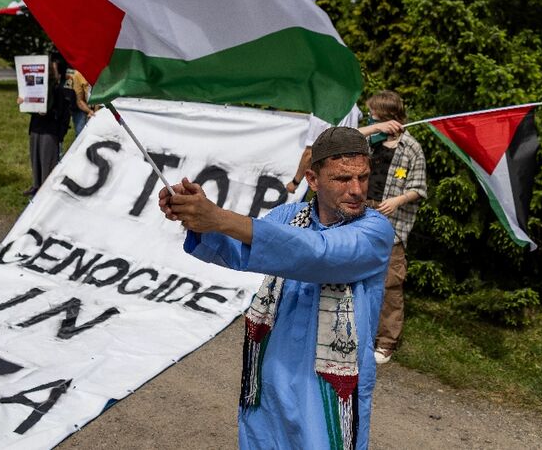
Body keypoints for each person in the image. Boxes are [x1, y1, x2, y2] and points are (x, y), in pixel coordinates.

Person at [158, 127, 394, 449]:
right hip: (270, 374)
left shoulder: (375, 230)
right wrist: (194, 217)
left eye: (363, 178)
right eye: (342, 179)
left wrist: (218, 216)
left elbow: (316, 253)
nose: (356, 189)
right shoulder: (288, 215)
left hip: (327, 388)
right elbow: (242, 250)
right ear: (312, 179)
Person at [357, 90, 427, 364]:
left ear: (388, 115)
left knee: (390, 282)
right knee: (354, 269)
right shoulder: (371, 140)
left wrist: (398, 200)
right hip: (361, 215)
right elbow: (343, 137)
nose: (370, 116)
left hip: (391, 223)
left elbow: (419, 188)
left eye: (374, 113)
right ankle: (356, 330)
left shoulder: (411, 148)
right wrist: (374, 128)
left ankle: (386, 342)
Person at [20, 52, 71, 197]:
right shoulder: (39, 87)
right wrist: (26, 104)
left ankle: (46, 193)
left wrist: (60, 135)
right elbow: (32, 107)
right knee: (35, 160)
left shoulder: (61, 91)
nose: (50, 73)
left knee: (47, 162)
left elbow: (64, 115)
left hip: (50, 131)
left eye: (52, 70)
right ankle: (36, 186)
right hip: (36, 128)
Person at [286, 104, 363, 194]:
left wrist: (295, 182)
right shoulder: (352, 103)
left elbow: (310, 154)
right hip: (352, 173)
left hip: (332, 177)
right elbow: (360, 116)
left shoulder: (321, 112)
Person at [71, 69, 100, 136]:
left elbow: (100, 96)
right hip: (84, 108)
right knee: (81, 134)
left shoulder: (100, 72)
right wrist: (90, 111)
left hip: (100, 106)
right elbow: (79, 101)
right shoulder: (78, 75)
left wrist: (96, 113)